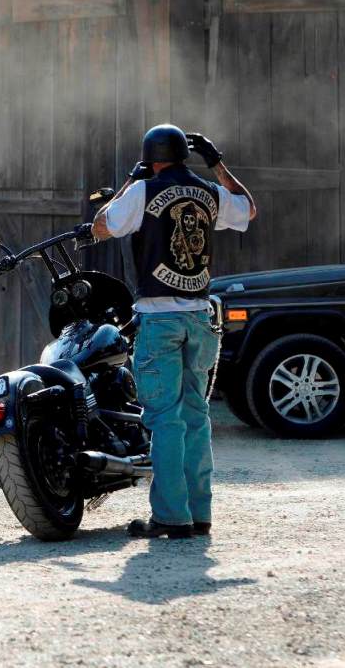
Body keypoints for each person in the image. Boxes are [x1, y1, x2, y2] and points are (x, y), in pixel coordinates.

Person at [91, 125, 256, 538]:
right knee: (196, 416)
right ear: (185, 155)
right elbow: (249, 209)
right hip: (200, 317)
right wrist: (217, 164)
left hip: (159, 318)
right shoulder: (208, 191)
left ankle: (170, 517)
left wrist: (129, 180)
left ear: (151, 158)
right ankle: (200, 515)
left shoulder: (142, 190)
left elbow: (100, 226)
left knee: (164, 420)